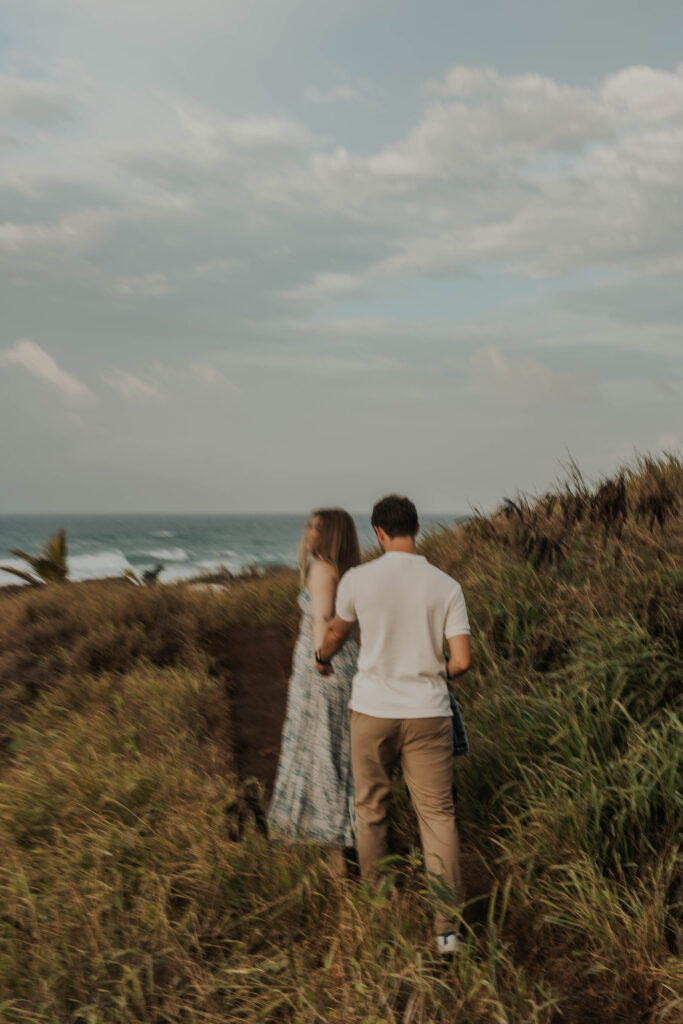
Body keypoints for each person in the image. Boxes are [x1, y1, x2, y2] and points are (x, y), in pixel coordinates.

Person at [314, 495, 471, 954]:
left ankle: (380, 916)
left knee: (371, 811)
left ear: (378, 533)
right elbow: (461, 660)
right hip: (428, 712)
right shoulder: (446, 585)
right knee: (438, 818)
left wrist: (321, 658)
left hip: (372, 711)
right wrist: (429, 670)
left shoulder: (358, 579)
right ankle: (447, 934)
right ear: (417, 527)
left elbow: (336, 635)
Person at [267, 508, 361, 875]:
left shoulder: (322, 569)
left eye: (314, 528)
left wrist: (320, 660)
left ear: (330, 536)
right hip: (348, 665)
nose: (307, 533)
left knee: (322, 752)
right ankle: (349, 841)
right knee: (341, 754)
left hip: (324, 668)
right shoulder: (349, 572)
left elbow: (322, 619)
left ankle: (337, 855)